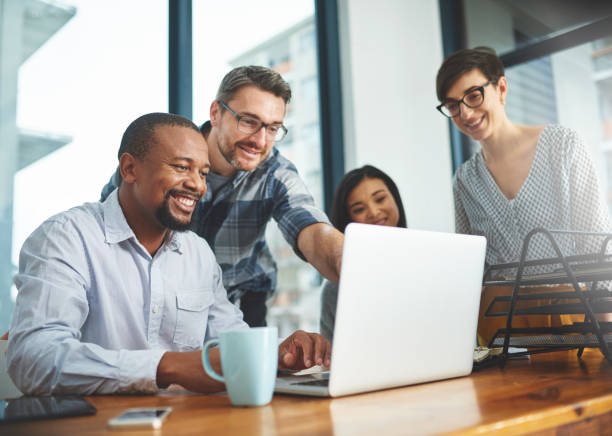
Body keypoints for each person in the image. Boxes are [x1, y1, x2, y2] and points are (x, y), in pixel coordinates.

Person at [7, 113, 331, 396]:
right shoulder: (65, 237)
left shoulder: (198, 254)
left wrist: (279, 355)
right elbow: (32, 358)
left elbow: (229, 344)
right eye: (181, 167)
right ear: (130, 168)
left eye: (203, 173)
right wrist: (168, 366)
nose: (197, 185)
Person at [101, 66, 343, 327]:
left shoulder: (275, 173)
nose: (260, 141)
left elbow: (311, 227)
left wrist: (346, 260)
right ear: (216, 113)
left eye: (272, 129)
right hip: (162, 296)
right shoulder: (166, 153)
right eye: (249, 121)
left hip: (240, 302)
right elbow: (110, 220)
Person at [435, 46, 611, 271]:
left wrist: (602, 303)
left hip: (574, 303)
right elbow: (471, 267)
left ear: (501, 88)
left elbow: (598, 243)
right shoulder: (464, 181)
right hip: (502, 307)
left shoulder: (563, 145)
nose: (466, 113)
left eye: (474, 96)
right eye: (453, 105)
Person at [320, 165, 407, 341]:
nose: (374, 212)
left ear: (394, 198)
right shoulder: (337, 285)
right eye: (359, 209)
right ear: (348, 219)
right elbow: (331, 359)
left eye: (380, 199)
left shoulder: (426, 262)